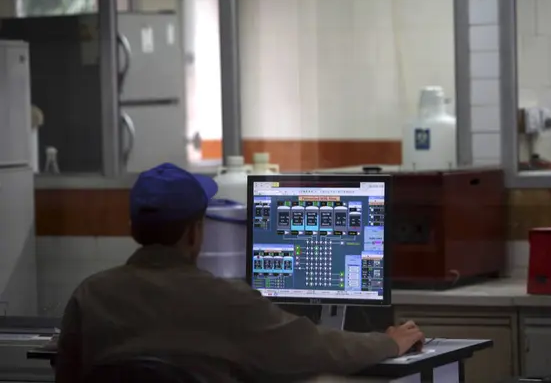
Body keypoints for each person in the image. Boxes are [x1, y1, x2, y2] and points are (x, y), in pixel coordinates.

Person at [55, 163, 424, 383]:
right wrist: (388, 342)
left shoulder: (91, 295)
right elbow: (315, 348)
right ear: (195, 233)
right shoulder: (226, 301)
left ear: (133, 227)